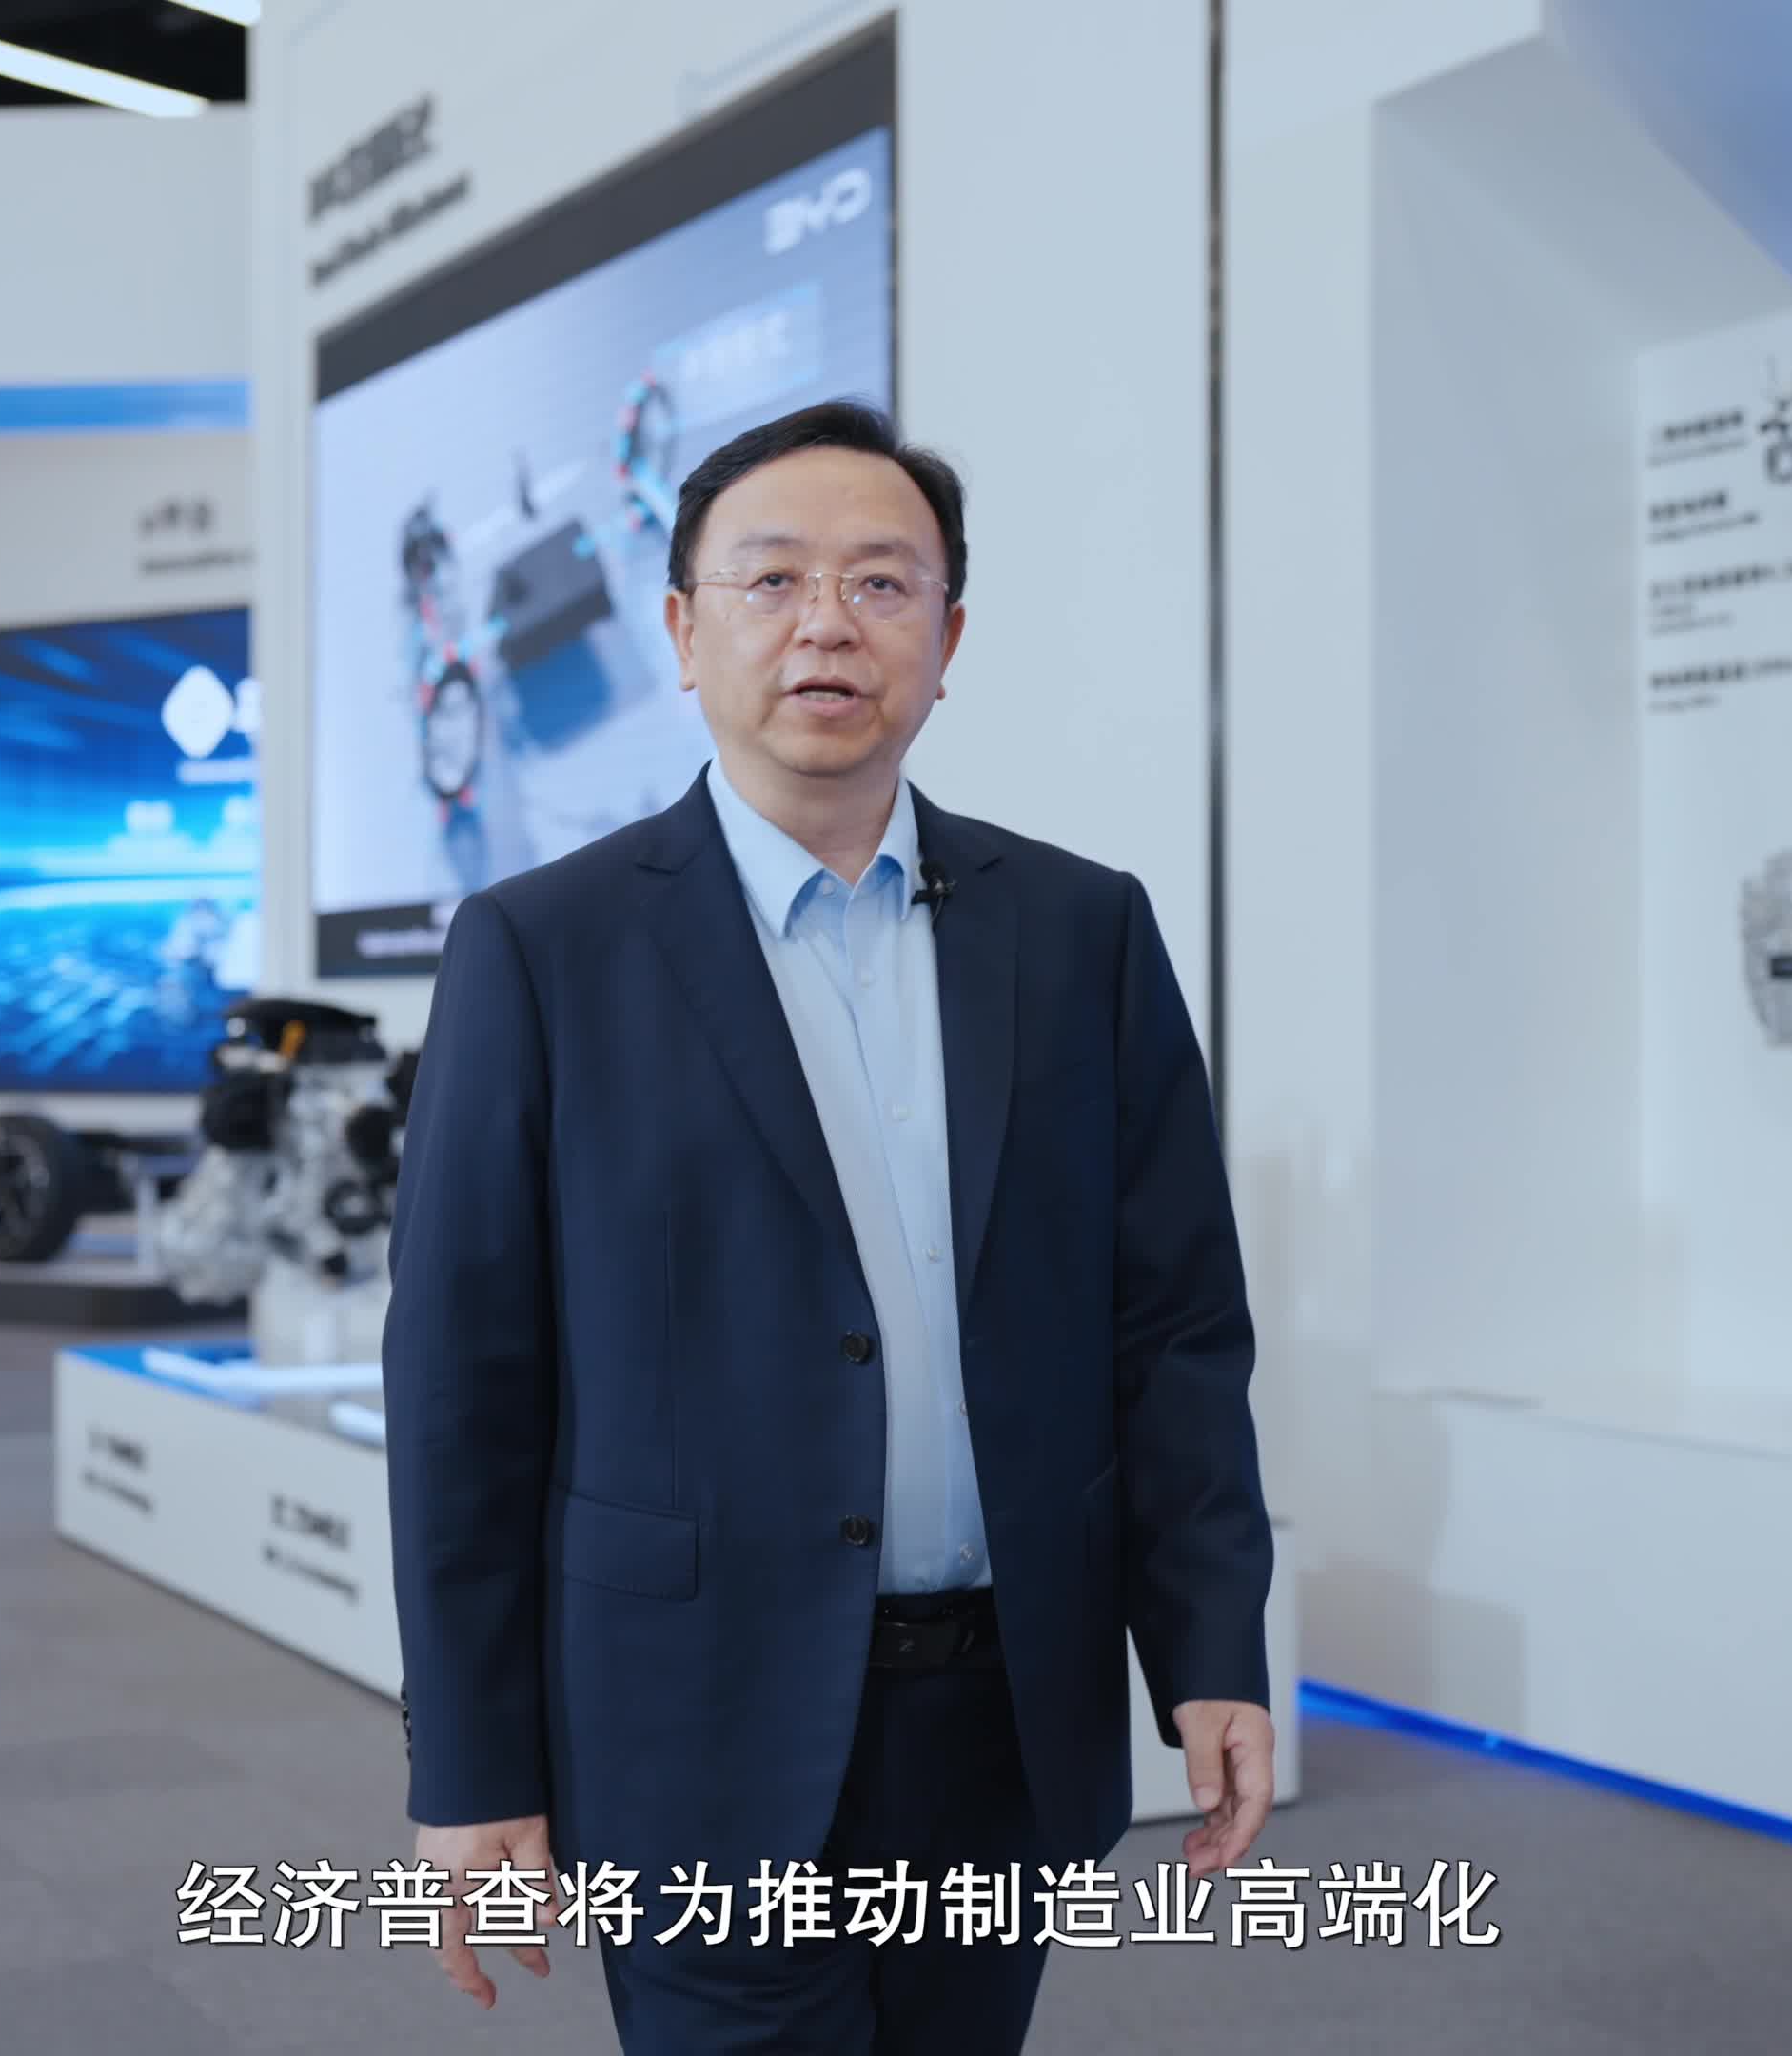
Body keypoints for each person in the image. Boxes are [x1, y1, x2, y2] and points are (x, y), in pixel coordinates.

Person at [383, 398, 1274, 2053]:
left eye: (880, 583)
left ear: (948, 638)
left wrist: (1211, 1643)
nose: (826, 625)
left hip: (1000, 1716)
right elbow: (462, 1389)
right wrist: (473, 1762)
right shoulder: (542, 950)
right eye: (773, 579)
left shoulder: (1082, 931)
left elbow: (1173, 1328)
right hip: (692, 1723)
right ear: (683, 631)